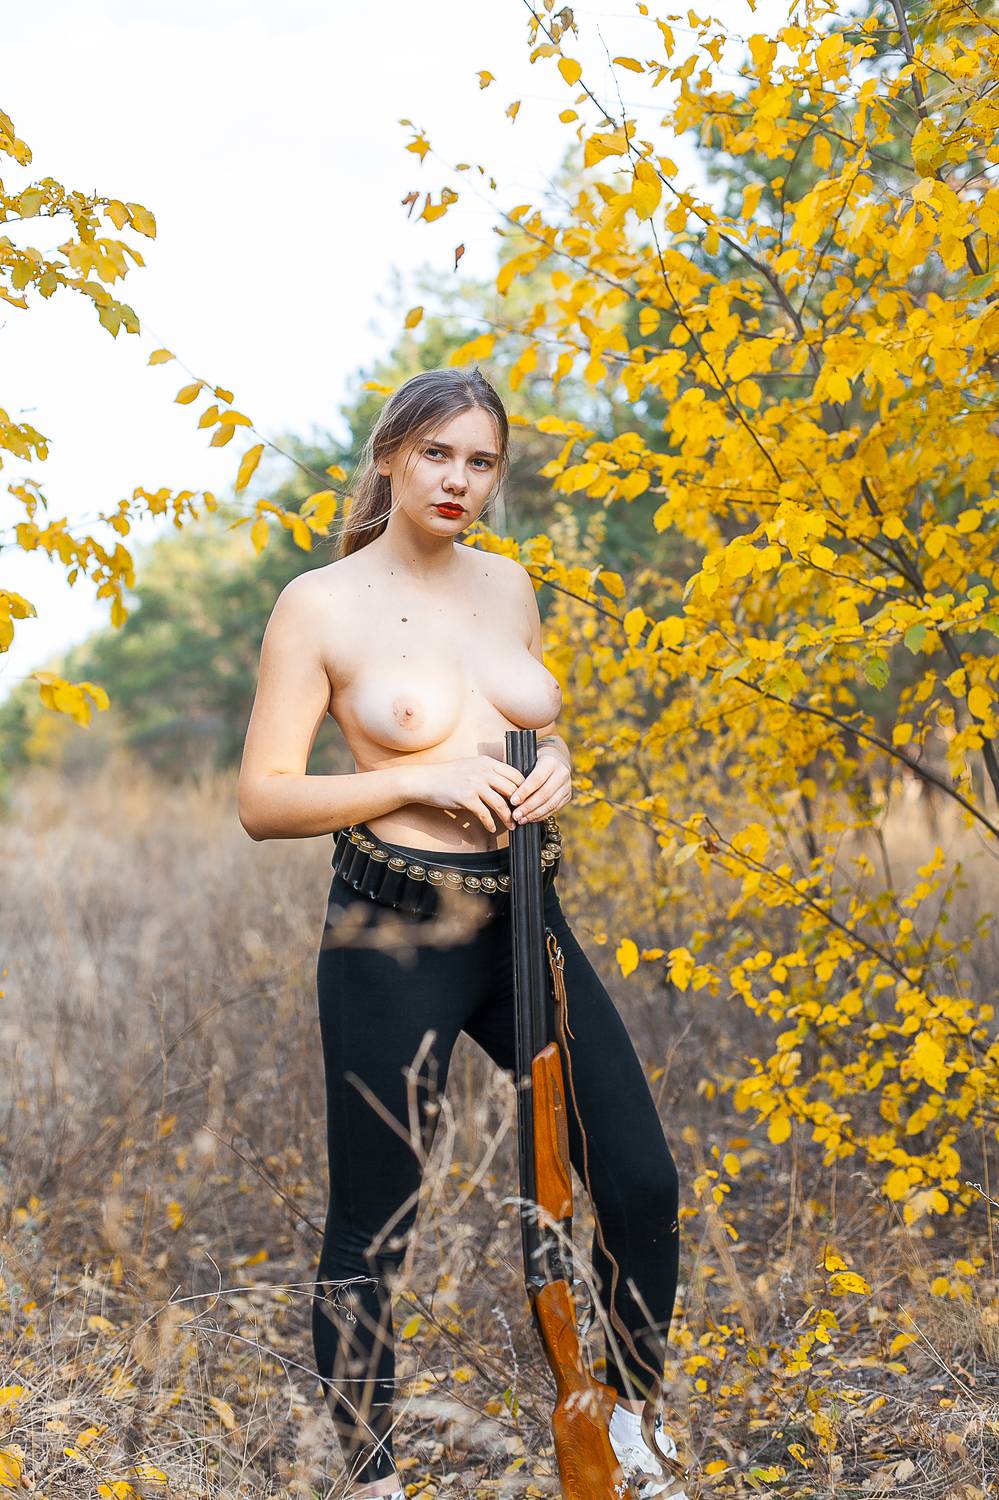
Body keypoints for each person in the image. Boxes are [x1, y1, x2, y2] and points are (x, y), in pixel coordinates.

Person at [237, 368, 686, 1499]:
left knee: (640, 1182)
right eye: (438, 454)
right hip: (393, 930)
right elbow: (263, 800)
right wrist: (421, 775)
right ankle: (372, 1478)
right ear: (391, 455)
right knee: (375, 1223)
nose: (458, 480)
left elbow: (518, 723)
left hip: (526, 915)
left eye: (481, 462)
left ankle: (629, 1426)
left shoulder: (508, 585)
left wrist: (557, 766)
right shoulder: (318, 605)